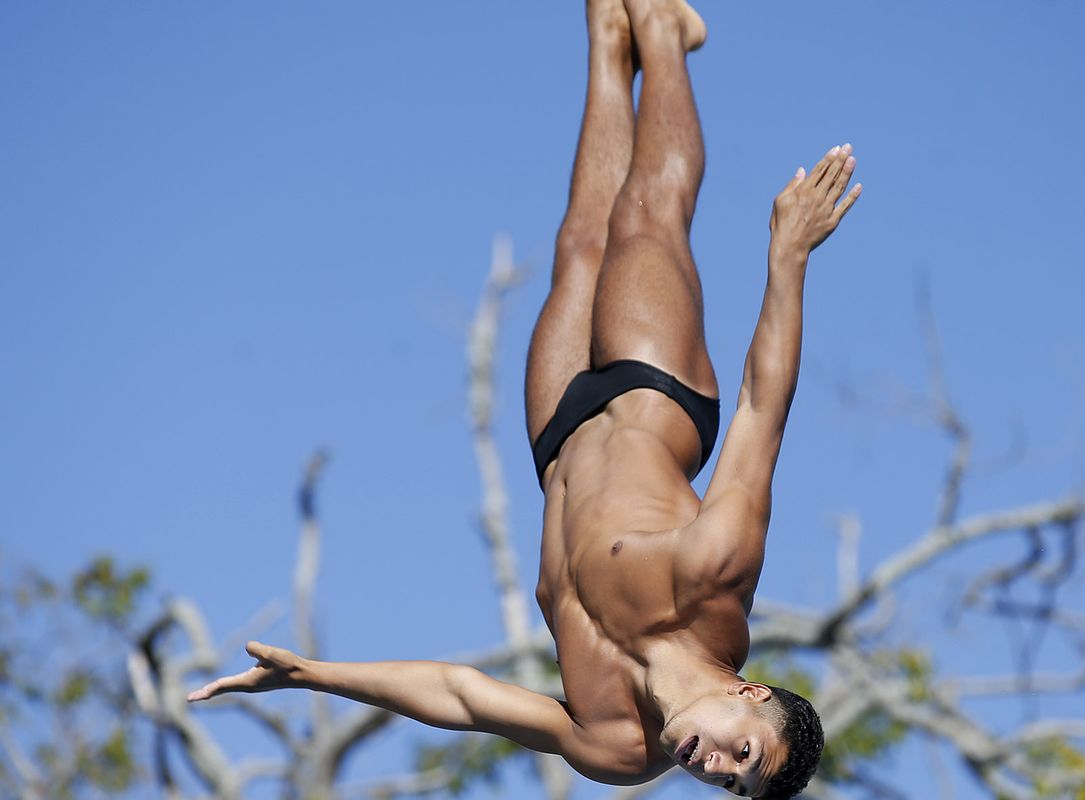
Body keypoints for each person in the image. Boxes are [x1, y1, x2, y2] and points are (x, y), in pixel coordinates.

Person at [187, 0, 861, 796]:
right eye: (739, 754)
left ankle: (611, 33)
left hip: (559, 436)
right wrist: (788, 259)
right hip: (656, 391)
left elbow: (463, 696)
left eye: (727, 787)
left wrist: (319, 674)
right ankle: (671, 37)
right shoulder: (714, 577)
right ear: (749, 696)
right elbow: (759, 410)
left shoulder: (613, 746)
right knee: (648, 209)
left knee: (581, 242)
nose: (711, 768)